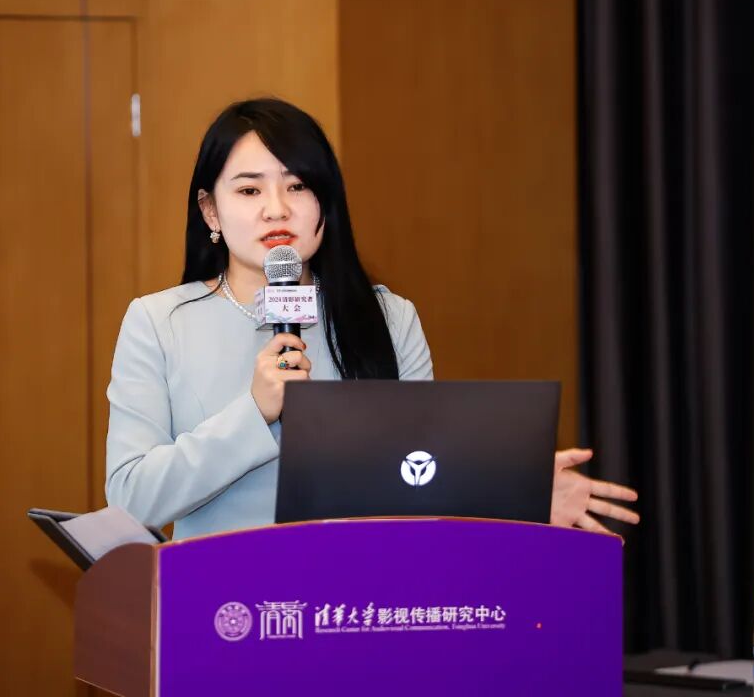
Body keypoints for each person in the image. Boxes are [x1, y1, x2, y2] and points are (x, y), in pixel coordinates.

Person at [105, 97, 639, 540]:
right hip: (225, 604)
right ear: (210, 211)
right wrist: (253, 413)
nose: (277, 208)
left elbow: (419, 474)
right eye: (249, 190)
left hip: (361, 599)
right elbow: (131, 499)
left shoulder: (390, 318)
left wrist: (513, 492)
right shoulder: (159, 323)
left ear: (326, 202)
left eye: (298, 186)